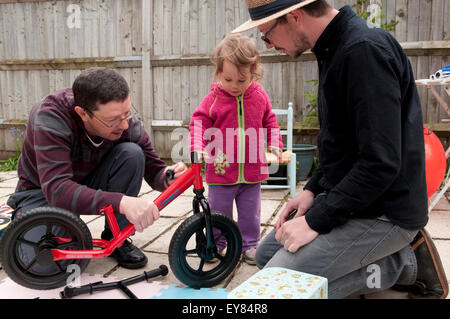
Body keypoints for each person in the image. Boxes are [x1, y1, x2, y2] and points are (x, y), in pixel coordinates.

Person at [233, 0, 448, 298]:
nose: (268, 45)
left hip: (386, 212)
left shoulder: (363, 52)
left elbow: (380, 163)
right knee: (266, 257)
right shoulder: (333, 47)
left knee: (280, 288)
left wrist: (315, 221)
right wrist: (313, 189)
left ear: (294, 17)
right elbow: (342, 145)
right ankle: (385, 261)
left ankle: (405, 261)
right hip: (359, 200)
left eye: (266, 34)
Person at [7, 67, 187, 269]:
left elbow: (155, 171)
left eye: (127, 113)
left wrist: (168, 177)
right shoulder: (51, 117)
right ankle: (20, 223)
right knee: (49, 266)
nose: (125, 125)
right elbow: (57, 190)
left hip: (87, 181)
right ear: (82, 113)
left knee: (132, 154)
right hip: (41, 192)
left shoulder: (123, 122)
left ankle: (117, 237)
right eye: (113, 120)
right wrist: (121, 202)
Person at [189, 33, 283, 264]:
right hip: (221, 171)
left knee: (251, 213)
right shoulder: (213, 98)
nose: (234, 86)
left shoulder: (259, 96)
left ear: (254, 71)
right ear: (219, 72)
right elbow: (199, 122)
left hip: (252, 170)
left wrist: (274, 143)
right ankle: (218, 244)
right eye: (228, 79)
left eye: (241, 81)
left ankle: (250, 245)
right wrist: (197, 146)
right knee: (219, 212)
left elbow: (270, 121)